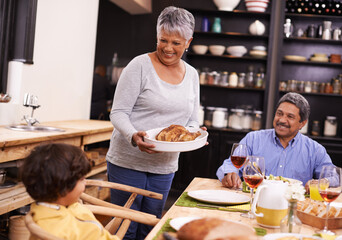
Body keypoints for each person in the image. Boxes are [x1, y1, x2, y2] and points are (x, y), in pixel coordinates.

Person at [106, 6, 201, 240]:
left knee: (151, 229)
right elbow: (118, 112)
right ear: (156, 36)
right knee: (125, 231)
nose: (168, 48)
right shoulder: (139, 66)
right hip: (128, 162)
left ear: (188, 42)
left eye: (176, 43)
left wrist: (195, 132)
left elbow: (192, 117)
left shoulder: (192, 75)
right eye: (163, 40)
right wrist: (133, 136)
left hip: (164, 165)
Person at [217, 92, 334, 190]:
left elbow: (335, 177)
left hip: (294, 206)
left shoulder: (315, 150)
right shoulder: (253, 139)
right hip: (255, 201)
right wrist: (230, 174)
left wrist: (323, 182)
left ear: (302, 123)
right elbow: (229, 165)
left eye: (290, 117)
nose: (282, 120)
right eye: (279, 113)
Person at [21, 143, 120, 240]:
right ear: (62, 186)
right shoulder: (55, 230)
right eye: (81, 179)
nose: (85, 182)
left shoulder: (69, 205)